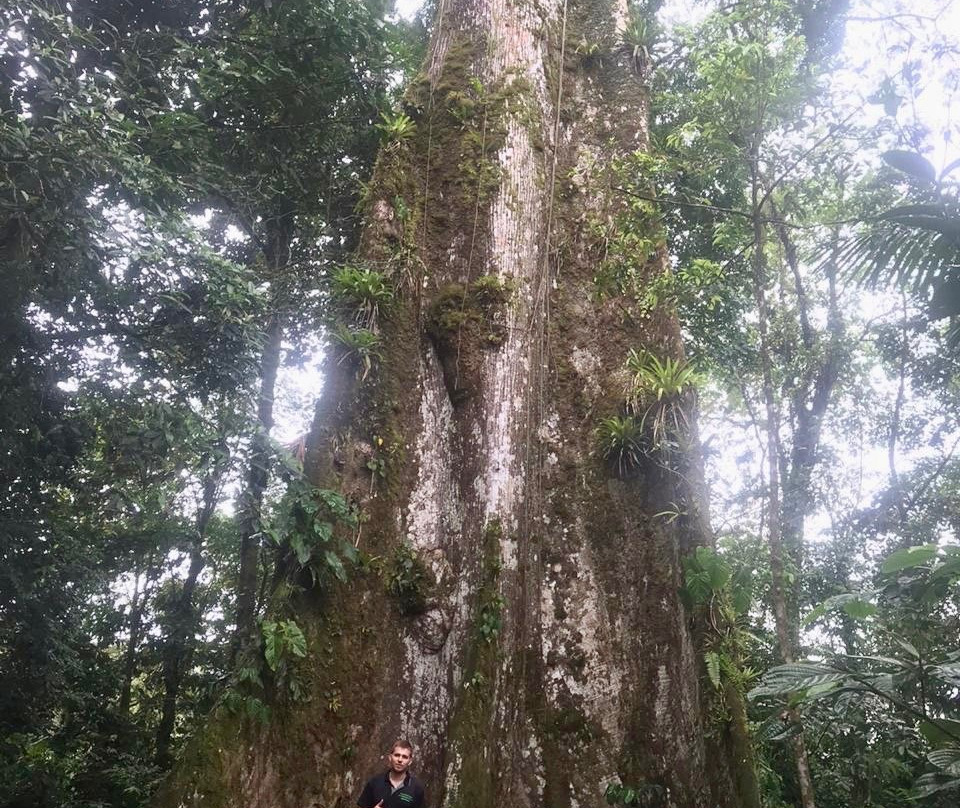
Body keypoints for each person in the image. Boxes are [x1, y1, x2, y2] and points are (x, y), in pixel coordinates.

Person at [356, 739, 425, 808]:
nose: (400, 760)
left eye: (404, 757)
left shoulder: (417, 788)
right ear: (390, 757)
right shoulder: (374, 782)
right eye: (397, 755)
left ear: (410, 761)